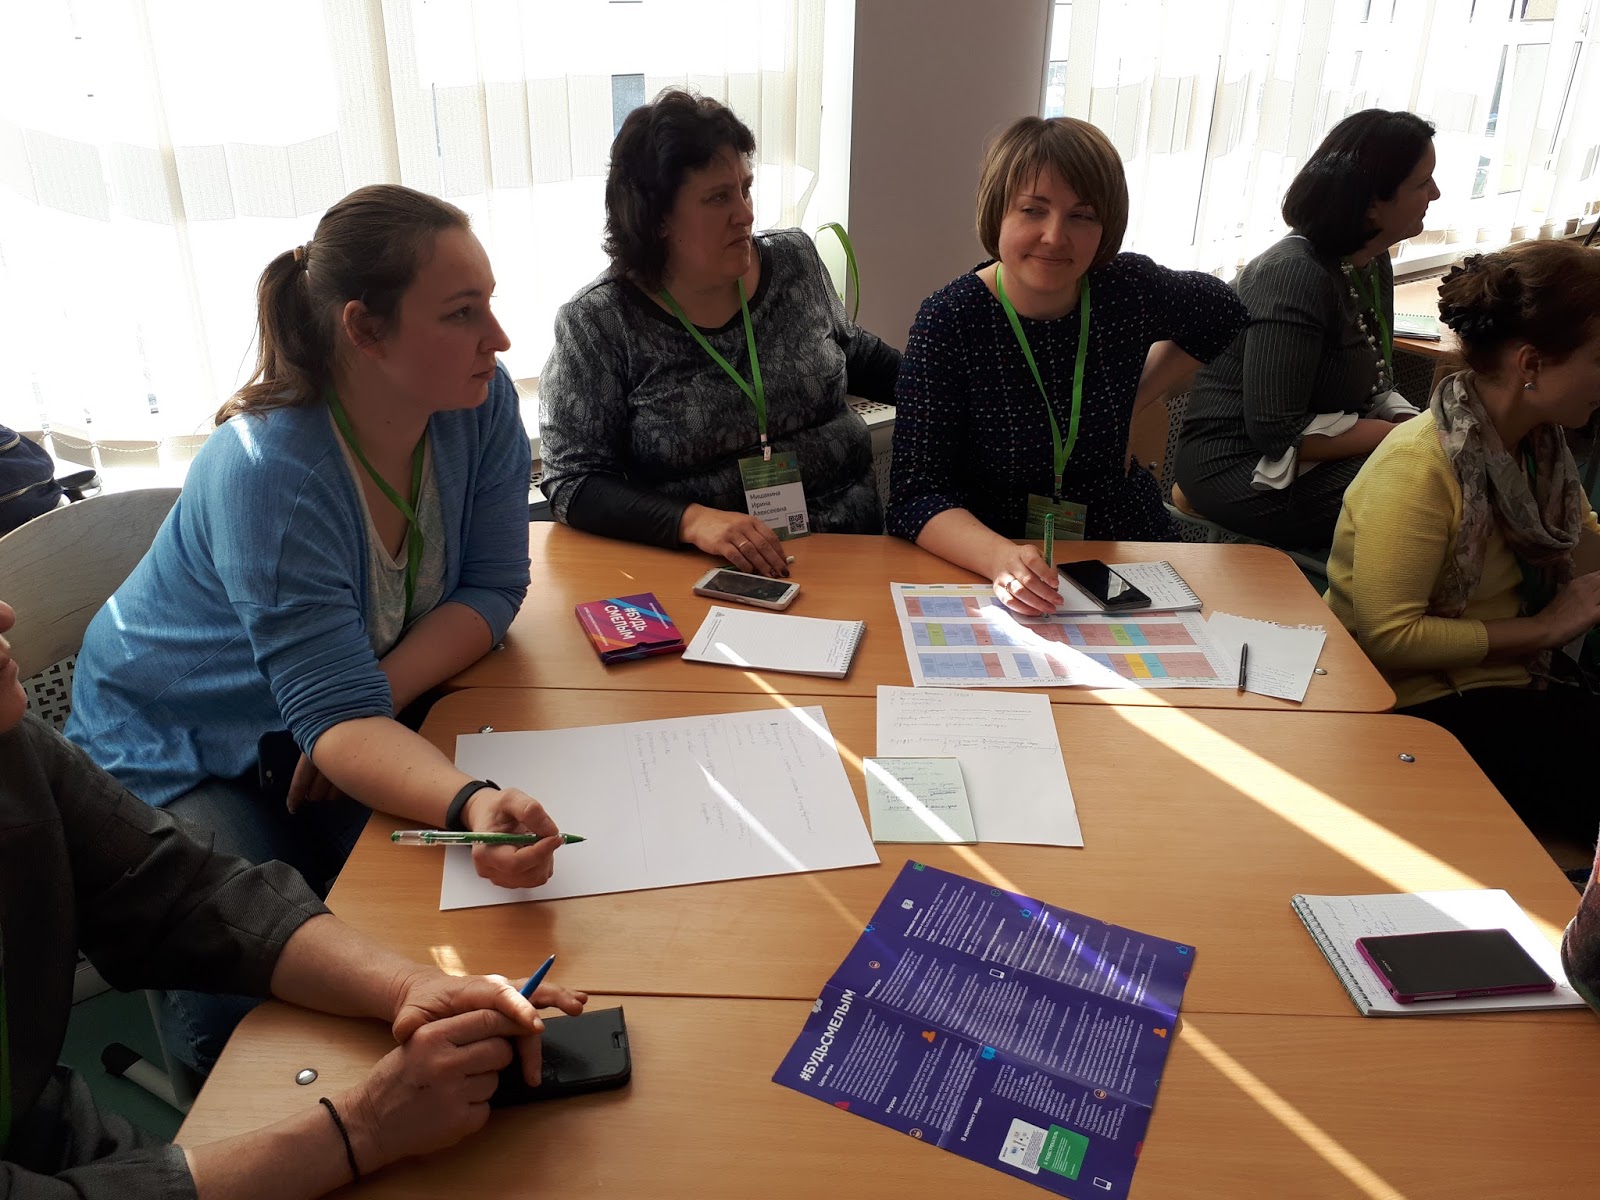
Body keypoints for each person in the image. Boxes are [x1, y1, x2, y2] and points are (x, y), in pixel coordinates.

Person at [65, 185, 561, 1071]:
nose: (500, 338)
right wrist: (466, 800)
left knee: (441, 915)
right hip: (178, 739)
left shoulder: (478, 405)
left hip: (325, 718)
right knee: (244, 1003)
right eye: (462, 313)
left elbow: (493, 587)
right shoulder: (270, 471)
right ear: (364, 329)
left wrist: (358, 709)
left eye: (489, 302)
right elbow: (342, 721)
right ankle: (217, 1115)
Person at [0, 598, 589, 1199]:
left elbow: (181, 888)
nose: (4, 616)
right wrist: (364, 1129)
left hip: (56, 1129)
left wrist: (409, 985)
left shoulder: (12, 743)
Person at [886, 116, 1247, 616]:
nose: (1055, 237)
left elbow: (1224, 311)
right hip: (995, 555)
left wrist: (1134, 401)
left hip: (1122, 539)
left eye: (1082, 216)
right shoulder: (950, 320)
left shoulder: (1126, 289)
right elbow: (913, 495)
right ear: (998, 212)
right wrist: (999, 558)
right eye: (1033, 210)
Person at [537, 89, 901, 578]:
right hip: (713, 570)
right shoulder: (600, 323)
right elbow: (575, 482)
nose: (745, 213)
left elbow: (854, 353)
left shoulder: (793, 261)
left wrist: (967, 390)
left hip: (853, 548)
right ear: (657, 218)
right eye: (718, 198)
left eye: (745, 189)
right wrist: (692, 521)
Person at [1326, 239, 1600, 846]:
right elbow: (1388, 637)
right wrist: (1545, 629)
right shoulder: (1419, 465)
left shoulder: (1540, 449)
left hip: (1508, 684)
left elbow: (1583, 544)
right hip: (1416, 708)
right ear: (1531, 365)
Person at [1174, 109, 1440, 549]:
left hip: (1311, 452)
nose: (1435, 193)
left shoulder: (1372, 260)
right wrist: (1405, 438)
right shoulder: (1294, 273)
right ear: (1371, 205)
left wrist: (1422, 430)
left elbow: (1376, 383)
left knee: (1449, 471)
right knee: (1427, 489)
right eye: (1422, 183)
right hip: (1238, 466)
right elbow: (1277, 431)